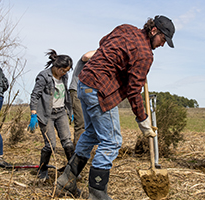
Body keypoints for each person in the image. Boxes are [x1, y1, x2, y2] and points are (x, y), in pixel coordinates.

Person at [56, 15, 175, 199]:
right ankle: (97, 192)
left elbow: (103, 42)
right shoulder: (145, 54)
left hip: (83, 82)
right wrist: (143, 120)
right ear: (154, 31)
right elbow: (134, 91)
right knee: (112, 142)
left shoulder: (126, 28)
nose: (162, 45)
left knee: (91, 133)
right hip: (100, 90)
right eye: (163, 39)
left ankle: (66, 181)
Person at [28, 49, 75, 181]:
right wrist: (33, 113)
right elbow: (35, 95)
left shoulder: (64, 77)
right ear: (56, 66)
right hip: (46, 114)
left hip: (60, 113)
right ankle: (42, 171)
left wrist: (70, 111)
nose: (65, 73)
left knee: (67, 142)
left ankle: (72, 171)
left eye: (67, 71)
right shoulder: (44, 76)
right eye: (63, 70)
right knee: (51, 144)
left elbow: (66, 95)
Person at [69, 50, 96, 146]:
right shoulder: (86, 59)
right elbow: (86, 56)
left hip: (87, 93)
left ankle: (83, 148)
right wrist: (103, 49)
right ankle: (77, 152)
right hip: (77, 91)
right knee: (81, 123)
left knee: (89, 123)